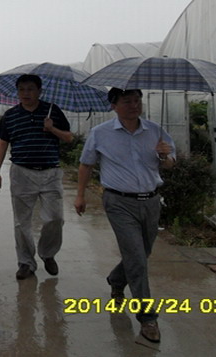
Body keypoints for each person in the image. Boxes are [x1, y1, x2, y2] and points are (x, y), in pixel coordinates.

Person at [74, 88, 176, 344]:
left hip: (151, 201)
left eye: (137, 100)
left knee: (142, 253)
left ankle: (117, 279)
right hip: (119, 202)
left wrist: (165, 156)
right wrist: (80, 195)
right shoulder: (101, 133)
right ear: (114, 106)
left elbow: (170, 163)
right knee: (137, 258)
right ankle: (147, 318)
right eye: (127, 101)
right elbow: (86, 164)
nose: (134, 105)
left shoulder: (155, 131)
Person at [0, 74, 73, 280]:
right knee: (21, 222)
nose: (25, 93)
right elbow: (3, 143)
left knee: (55, 218)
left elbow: (68, 137)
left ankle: (47, 253)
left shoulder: (52, 111)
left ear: (39, 91)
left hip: (50, 172)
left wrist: (52, 128)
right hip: (22, 172)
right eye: (21, 89)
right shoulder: (10, 115)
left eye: (30, 89)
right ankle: (26, 262)